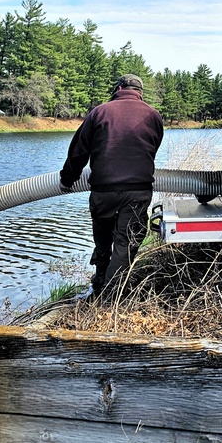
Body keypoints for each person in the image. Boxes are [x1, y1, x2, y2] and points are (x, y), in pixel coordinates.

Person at [59, 74, 164, 297]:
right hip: (137, 190)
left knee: (103, 237)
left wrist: (67, 179)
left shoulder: (99, 112)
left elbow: (79, 151)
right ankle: (111, 294)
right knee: (125, 243)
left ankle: (101, 284)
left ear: (118, 88)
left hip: (103, 190)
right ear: (140, 93)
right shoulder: (153, 115)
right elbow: (152, 150)